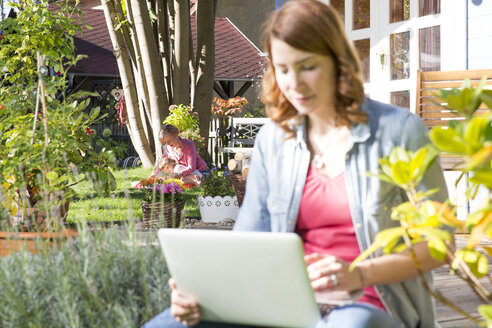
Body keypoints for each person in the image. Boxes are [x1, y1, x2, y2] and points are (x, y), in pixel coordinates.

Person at [143, 1, 451, 327]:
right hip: (286, 302)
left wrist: (358, 274)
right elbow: (251, 242)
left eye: (307, 66)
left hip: (369, 303)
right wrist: (204, 293)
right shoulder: (274, 142)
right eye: (284, 69)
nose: (295, 83)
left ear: (337, 60)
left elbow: (439, 244)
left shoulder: (399, 131)